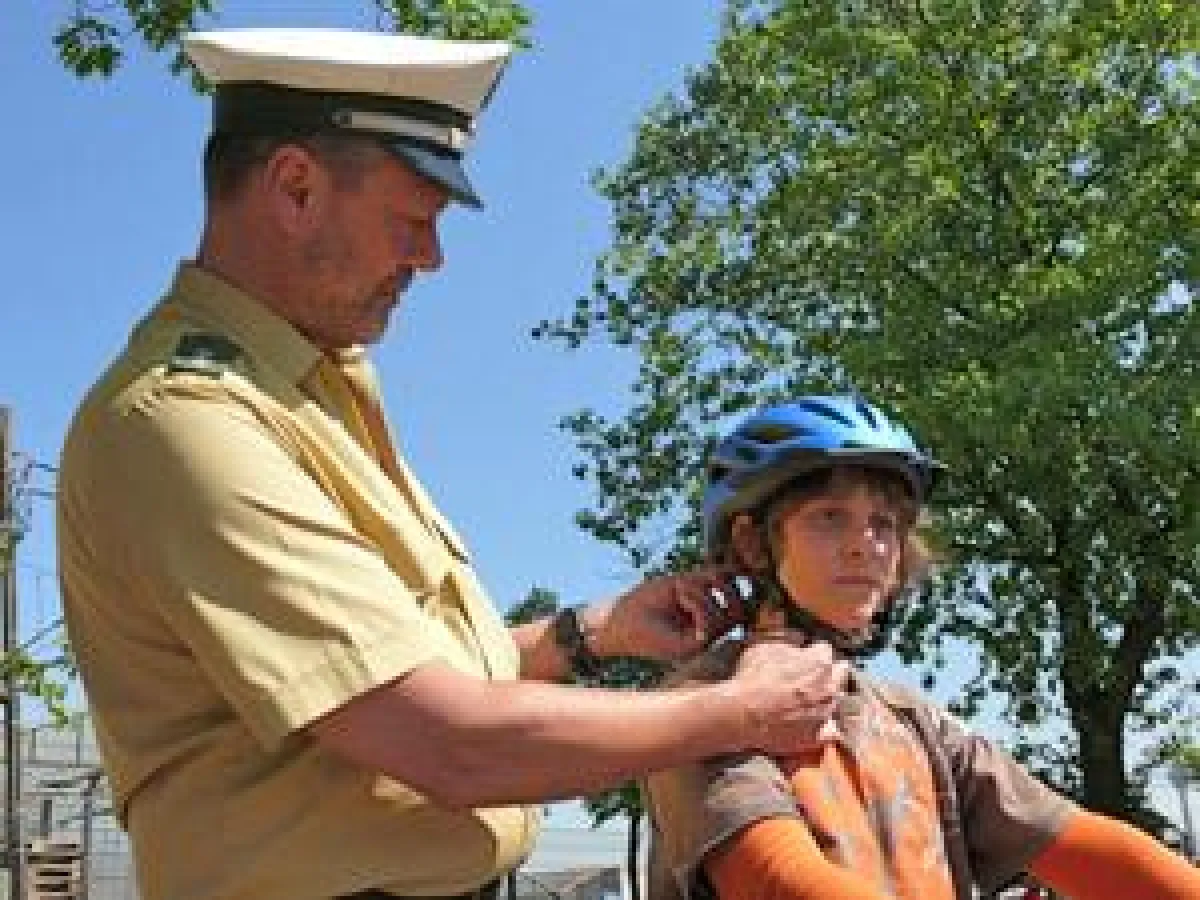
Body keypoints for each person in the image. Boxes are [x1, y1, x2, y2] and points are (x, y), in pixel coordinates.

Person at [55, 27, 847, 900]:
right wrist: (739, 711)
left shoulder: (310, 397)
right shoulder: (188, 422)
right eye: (414, 219)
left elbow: (391, 678)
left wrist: (592, 635)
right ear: (295, 186)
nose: (430, 259)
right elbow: (444, 740)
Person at [644, 395, 1200, 900]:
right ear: (752, 543)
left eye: (884, 524)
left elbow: (1098, 852)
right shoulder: (703, 705)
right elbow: (776, 882)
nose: (866, 546)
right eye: (829, 517)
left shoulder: (914, 723)